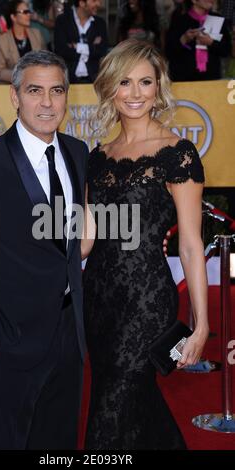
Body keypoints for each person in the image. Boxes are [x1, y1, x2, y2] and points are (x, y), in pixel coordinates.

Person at [0, 50, 88, 450]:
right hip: (9, 340)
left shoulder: (77, 153)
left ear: (66, 95)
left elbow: (69, 243)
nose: (47, 103)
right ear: (15, 96)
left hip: (68, 335)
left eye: (56, 91)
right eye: (34, 91)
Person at [81, 39, 209, 449]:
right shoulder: (97, 156)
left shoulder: (178, 154)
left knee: (110, 412)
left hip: (147, 302)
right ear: (108, 88)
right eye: (124, 82)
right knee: (135, 407)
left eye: (145, 82)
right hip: (98, 301)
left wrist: (202, 323)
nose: (135, 93)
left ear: (159, 87)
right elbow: (85, 240)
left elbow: (190, 244)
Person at [166, 0, 231, 81]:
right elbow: (168, 52)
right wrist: (184, 39)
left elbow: (227, 50)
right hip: (184, 79)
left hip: (211, 78)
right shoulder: (180, 20)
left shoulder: (218, 19)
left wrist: (211, 42)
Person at [54, 0, 108, 83]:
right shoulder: (62, 21)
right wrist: (91, 47)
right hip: (68, 80)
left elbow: (102, 51)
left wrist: (77, 46)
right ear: (82, 3)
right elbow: (61, 51)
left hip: (94, 80)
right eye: (94, 1)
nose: (98, 4)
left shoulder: (100, 23)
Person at [0, 0, 46, 84]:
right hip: (11, 90)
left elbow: (45, 61)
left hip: (36, 87)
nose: (29, 14)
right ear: (13, 17)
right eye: (25, 12)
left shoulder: (36, 34)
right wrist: (22, 75)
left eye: (29, 11)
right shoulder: (1, 41)